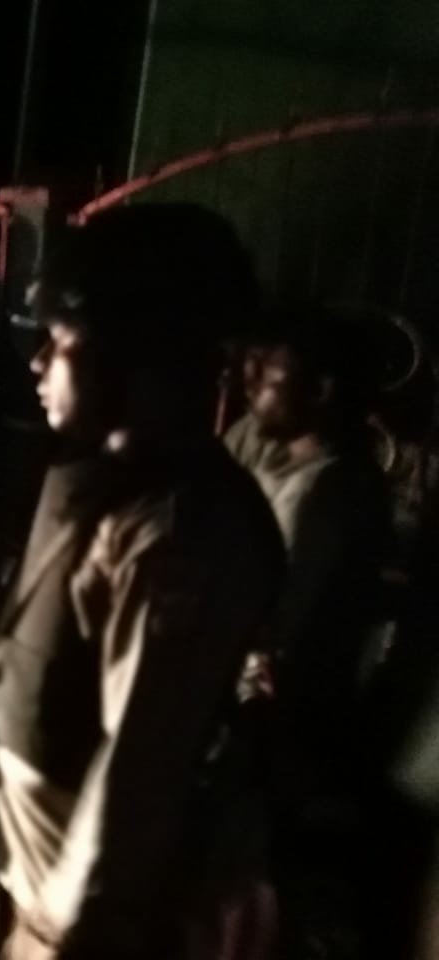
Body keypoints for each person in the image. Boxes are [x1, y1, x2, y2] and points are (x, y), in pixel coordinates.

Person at [0, 204, 286, 960]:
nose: (38, 363)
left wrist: (57, 935)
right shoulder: (114, 485)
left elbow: (136, 774)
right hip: (31, 881)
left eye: (61, 342)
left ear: (136, 359)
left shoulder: (178, 528)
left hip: (74, 923)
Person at [232, 305, 392, 957]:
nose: (249, 379)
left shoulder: (340, 495)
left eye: (270, 370)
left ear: (321, 389)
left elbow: (296, 640)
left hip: (277, 731)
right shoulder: (274, 456)